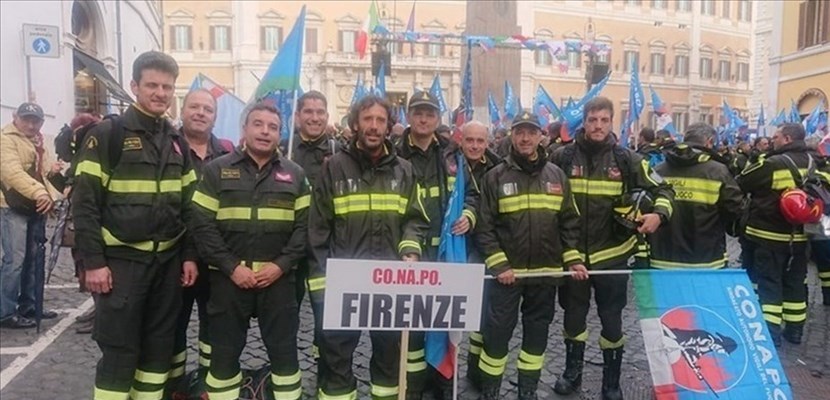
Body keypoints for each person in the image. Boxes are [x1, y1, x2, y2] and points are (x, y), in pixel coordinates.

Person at [72, 51, 199, 399]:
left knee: (158, 352)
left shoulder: (176, 142)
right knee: (119, 353)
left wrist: (188, 255)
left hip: (167, 263)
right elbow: (83, 205)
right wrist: (94, 263)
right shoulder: (107, 134)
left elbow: (190, 206)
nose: (160, 93)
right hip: (121, 264)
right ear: (134, 86)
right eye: (152, 85)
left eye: (167, 87)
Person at [550, 97, 674, 400]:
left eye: (604, 120)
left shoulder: (627, 159)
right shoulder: (561, 157)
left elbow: (664, 189)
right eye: (593, 120)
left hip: (613, 257)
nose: (598, 126)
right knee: (573, 320)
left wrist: (658, 214)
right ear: (584, 121)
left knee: (612, 322)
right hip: (574, 258)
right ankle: (572, 374)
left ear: (611, 123)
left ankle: (611, 382)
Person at [307, 95, 428, 399]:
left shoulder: (405, 170)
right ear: (355, 123)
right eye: (367, 119)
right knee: (336, 364)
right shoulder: (333, 168)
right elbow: (318, 231)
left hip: (389, 287)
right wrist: (323, 288)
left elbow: (415, 219)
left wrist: (410, 251)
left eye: (380, 120)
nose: (373, 127)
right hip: (343, 287)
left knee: (388, 363)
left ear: (389, 126)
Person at [188, 102, 308, 399]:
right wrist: (232, 267)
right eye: (258, 124)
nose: (265, 132)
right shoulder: (216, 171)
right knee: (223, 360)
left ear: (280, 134)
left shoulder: (296, 175)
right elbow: (202, 226)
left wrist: (280, 266)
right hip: (228, 282)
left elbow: (306, 230)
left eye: (272, 127)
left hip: (278, 283)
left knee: (285, 359)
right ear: (245, 129)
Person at [475, 111, 586, 400]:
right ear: (512, 135)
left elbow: (569, 222)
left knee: (536, 339)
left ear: (541, 137)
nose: (525, 138)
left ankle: (528, 391)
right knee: (497, 338)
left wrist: (572, 258)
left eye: (531, 132)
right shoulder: (495, 177)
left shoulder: (557, 176)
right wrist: (499, 265)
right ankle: (490, 393)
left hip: (544, 275)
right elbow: (484, 227)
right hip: (506, 277)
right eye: (519, 132)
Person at [166, 88, 233, 398]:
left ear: (215, 116)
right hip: (174, 256)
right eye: (195, 106)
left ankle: (205, 385)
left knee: (213, 326)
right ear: (183, 109)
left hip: (215, 259)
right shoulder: (166, 149)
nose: (201, 113)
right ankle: (174, 385)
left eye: (208, 109)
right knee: (173, 325)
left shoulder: (228, 155)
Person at [396, 91, 462, 399]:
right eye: (418, 112)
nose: (423, 119)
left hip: (443, 255)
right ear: (409, 117)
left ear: (438, 119)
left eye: (430, 113)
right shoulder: (392, 153)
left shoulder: (451, 155)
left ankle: (441, 382)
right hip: (407, 255)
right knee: (410, 325)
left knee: (441, 321)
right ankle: (413, 387)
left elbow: (469, 193)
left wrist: (471, 215)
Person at [737, 123, 812, 346]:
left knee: (769, 283)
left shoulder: (773, 163)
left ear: (787, 139)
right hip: (801, 236)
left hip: (768, 234)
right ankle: (795, 331)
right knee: (795, 282)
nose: (772, 140)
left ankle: (770, 333)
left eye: (776, 136)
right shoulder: (813, 162)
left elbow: (743, 182)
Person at [443, 121, 502, 392]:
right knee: (448, 311)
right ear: (461, 139)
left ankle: (475, 367)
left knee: (481, 312)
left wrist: (473, 215)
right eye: (470, 141)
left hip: (485, 246)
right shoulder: (446, 162)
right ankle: (444, 375)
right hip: (452, 246)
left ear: (487, 142)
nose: (475, 146)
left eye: (480, 141)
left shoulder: (498, 166)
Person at [648, 123, 744, 269]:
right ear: (709, 142)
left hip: (663, 257)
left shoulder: (658, 169)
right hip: (707, 258)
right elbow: (735, 210)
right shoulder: (718, 171)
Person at [0, 102, 61, 329]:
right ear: (15, 117)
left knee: (34, 259)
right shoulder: (5, 139)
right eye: (26, 119)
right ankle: (5, 312)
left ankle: (30, 305)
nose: (31, 124)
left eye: (35, 120)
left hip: (34, 205)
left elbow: (40, 174)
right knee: (14, 260)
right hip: (11, 206)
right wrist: (39, 193)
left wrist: (52, 186)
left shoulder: (37, 141)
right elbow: (11, 172)